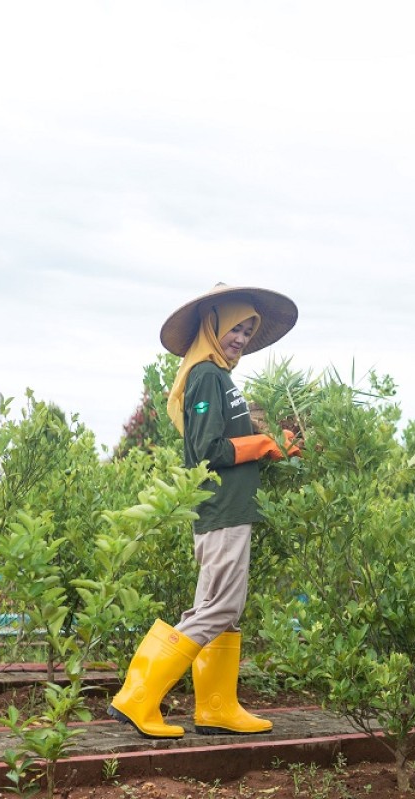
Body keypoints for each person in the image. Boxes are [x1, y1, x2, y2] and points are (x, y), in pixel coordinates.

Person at [108, 283, 299, 739]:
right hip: (222, 510)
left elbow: (231, 440)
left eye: (248, 331)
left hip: (230, 509)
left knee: (219, 610)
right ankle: (137, 697)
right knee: (220, 607)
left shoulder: (219, 377)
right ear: (213, 325)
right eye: (236, 328)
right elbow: (206, 451)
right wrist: (262, 444)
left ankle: (216, 708)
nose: (242, 338)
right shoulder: (206, 376)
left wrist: (271, 441)